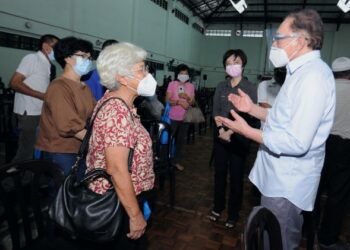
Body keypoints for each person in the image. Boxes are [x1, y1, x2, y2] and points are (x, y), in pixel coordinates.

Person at [216, 9, 336, 250]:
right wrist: (252, 109)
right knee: (269, 238)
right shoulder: (298, 73)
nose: (275, 44)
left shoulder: (312, 78)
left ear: (301, 41)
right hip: (278, 178)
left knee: (277, 242)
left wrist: (247, 132)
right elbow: (282, 117)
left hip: (287, 184)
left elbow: (296, 142)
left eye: (279, 37)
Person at [86, 42, 155, 249]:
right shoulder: (117, 111)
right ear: (122, 77)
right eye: (141, 69)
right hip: (117, 203)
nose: (147, 75)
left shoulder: (121, 104)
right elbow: (116, 169)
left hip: (123, 198)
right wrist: (135, 215)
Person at [210, 49, 258, 228]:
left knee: (236, 177)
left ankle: (233, 213)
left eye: (235, 62)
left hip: (239, 138)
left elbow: (249, 115)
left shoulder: (250, 88)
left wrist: (230, 132)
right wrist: (221, 129)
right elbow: (215, 110)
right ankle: (217, 207)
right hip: (221, 135)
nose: (232, 66)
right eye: (228, 63)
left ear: (243, 65)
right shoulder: (221, 86)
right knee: (219, 174)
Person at [35, 37, 96, 176]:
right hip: (60, 151)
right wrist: (100, 141)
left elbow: (96, 112)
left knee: (76, 192)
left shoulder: (83, 87)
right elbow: (68, 126)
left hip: (78, 148)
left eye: (89, 57)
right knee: (63, 194)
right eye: (83, 56)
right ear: (67, 58)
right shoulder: (59, 87)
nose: (88, 60)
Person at [9, 34, 59, 162]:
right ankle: (11, 180)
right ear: (45, 46)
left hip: (39, 111)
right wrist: (41, 96)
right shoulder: (32, 59)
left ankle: (29, 178)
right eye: (56, 47)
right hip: (29, 111)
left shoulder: (49, 65)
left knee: (35, 148)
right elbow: (14, 83)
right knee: (26, 150)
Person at [317, 57, 350, 250]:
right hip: (345, 147)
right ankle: (327, 238)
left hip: (323, 143)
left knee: (315, 188)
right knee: (338, 194)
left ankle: (307, 228)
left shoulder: (326, 89)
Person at [165, 64, 195, 171]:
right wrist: (178, 102)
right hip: (172, 117)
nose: (183, 75)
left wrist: (187, 98)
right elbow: (167, 100)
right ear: (178, 74)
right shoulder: (172, 84)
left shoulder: (191, 86)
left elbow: (193, 102)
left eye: (186, 74)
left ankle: (176, 162)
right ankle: (165, 161)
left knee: (180, 142)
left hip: (185, 118)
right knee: (168, 140)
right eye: (181, 73)